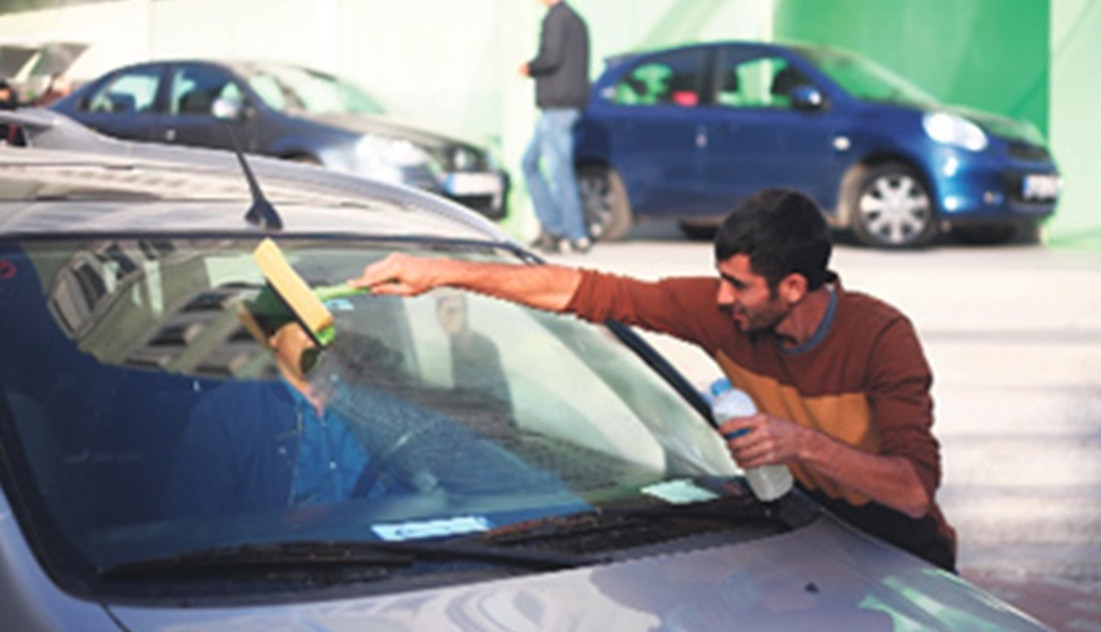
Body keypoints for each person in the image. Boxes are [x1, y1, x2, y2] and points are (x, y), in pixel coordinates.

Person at [349, 188, 958, 571]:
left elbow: (913, 491)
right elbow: (583, 291)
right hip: (808, 537)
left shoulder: (882, 337)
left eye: (738, 284)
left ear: (794, 288)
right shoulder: (724, 311)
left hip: (901, 554)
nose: (721, 299)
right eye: (718, 278)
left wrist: (798, 442)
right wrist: (440, 272)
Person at [165, 288, 383, 517]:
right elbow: (196, 522)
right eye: (304, 324)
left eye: (325, 324)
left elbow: (412, 478)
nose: (318, 337)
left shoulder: (372, 399)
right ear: (273, 337)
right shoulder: (228, 415)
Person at [518, 0, 592, 255]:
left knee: (560, 171)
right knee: (529, 164)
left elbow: (550, 57)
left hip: (557, 107)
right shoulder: (578, 21)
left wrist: (529, 67)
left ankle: (573, 233)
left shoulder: (556, 18)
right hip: (565, 106)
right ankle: (553, 227)